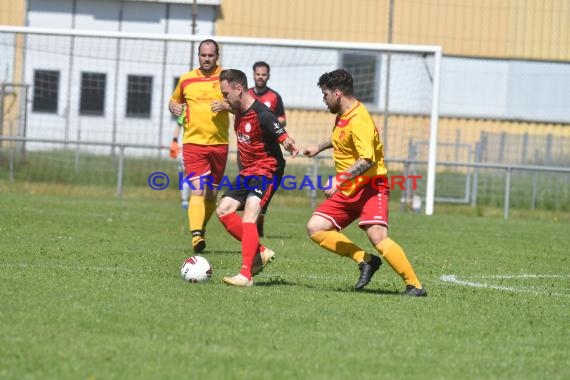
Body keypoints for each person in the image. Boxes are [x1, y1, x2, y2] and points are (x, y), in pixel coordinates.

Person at [303, 69, 427, 296]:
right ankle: (366, 260)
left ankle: (415, 286)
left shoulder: (360, 120)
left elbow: (367, 160)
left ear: (337, 93)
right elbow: (339, 138)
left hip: (371, 185)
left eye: (325, 94)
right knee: (316, 227)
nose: (324, 99)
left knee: (377, 236)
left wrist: (338, 179)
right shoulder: (344, 114)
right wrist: (318, 147)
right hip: (350, 187)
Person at [216, 69, 299, 287]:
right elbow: (230, 106)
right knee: (223, 210)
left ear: (238, 89)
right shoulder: (238, 108)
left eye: (226, 94)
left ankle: (246, 275)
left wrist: (288, 142)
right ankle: (261, 251)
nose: (224, 98)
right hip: (248, 171)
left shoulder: (263, 113)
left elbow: (281, 133)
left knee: (250, 214)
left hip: (267, 170)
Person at [169, 39, 231, 253]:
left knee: (211, 195)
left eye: (210, 55)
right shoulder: (186, 79)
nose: (206, 59)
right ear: (198, 55)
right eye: (203, 55)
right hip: (193, 144)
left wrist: (225, 105)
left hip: (219, 145)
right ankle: (196, 236)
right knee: (198, 190)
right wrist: (174, 108)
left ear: (217, 56)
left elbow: (242, 105)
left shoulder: (227, 78)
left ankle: (201, 226)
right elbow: (173, 101)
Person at [240, 61, 287, 238]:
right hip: (248, 150)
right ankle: (250, 225)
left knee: (260, 192)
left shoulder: (274, 97)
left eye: (264, 74)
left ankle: (256, 226)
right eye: (258, 74)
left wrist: (268, 120)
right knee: (249, 189)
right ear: (253, 75)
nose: (260, 77)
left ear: (268, 76)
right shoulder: (246, 95)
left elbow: (283, 119)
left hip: (267, 152)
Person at [169, 112, 190, 209]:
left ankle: (200, 199)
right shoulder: (186, 110)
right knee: (188, 174)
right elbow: (179, 124)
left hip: (205, 147)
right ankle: (185, 200)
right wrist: (174, 141)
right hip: (187, 148)